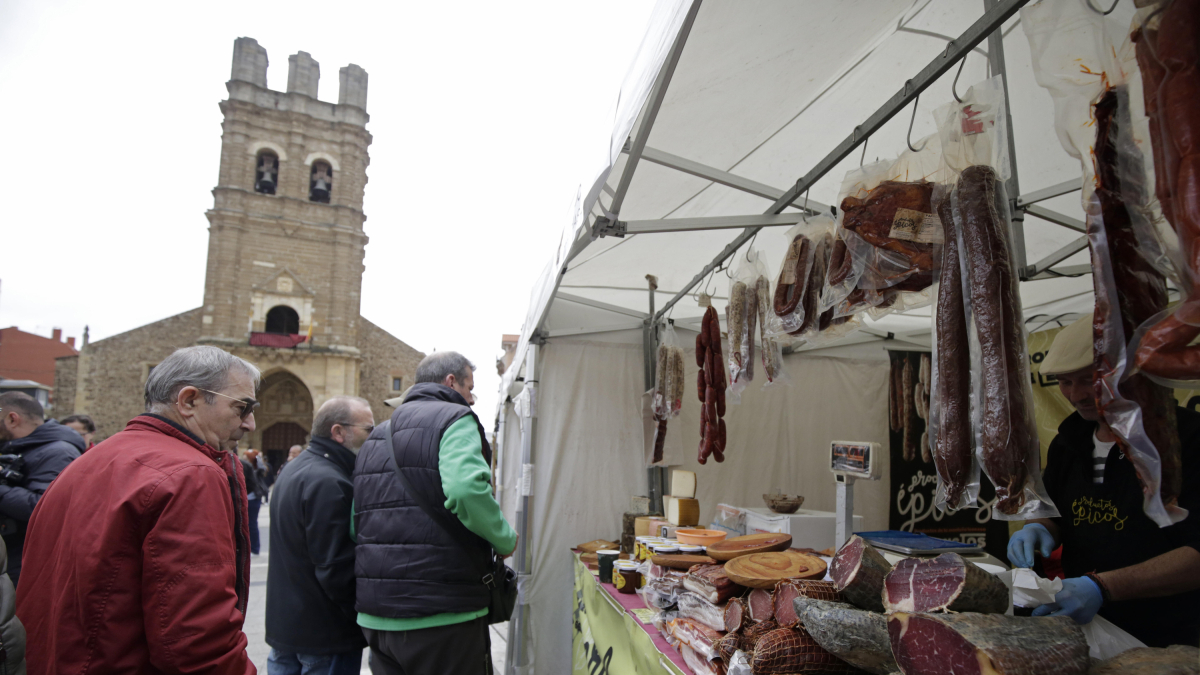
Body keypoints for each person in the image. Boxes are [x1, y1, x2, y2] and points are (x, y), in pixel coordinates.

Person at [15, 345, 259, 673]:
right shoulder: (191, 474)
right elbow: (198, 641)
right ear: (189, 400)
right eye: (242, 407)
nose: (250, 424)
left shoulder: (93, 458)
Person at [1008, 314, 1200, 647]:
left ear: (1127, 372)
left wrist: (1103, 586)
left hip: (1174, 637)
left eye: (1088, 379)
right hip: (1089, 630)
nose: (1075, 394)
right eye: (1065, 382)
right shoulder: (1070, 441)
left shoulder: (1187, 438)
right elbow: (1055, 512)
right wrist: (1038, 527)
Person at [353, 351, 516, 675]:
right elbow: (466, 490)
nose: (471, 399)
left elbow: (356, 519)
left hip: (377, 615)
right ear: (451, 381)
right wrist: (504, 539)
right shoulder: (455, 419)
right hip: (442, 613)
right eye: (470, 388)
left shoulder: (376, 435)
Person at [266, 396, 375, 675]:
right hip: (324, 636)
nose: (374, 438)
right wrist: (363, 618)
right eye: (369, 430)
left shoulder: (296, 468)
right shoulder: (330, 481)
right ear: (338, 432)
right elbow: (335, 567)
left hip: (288, 628)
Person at [0, 391, 84, 587]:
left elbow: (42, 507)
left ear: (12, 419)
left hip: (27, 565)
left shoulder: (59, 453)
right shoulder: (19, 447)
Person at [242, 449, 264, 555]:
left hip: (252, 497)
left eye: (247, 456)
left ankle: (255, 548)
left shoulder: (254, 467)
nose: (244, 458)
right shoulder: (245, 465)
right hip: (248, 497)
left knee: (252, 524)